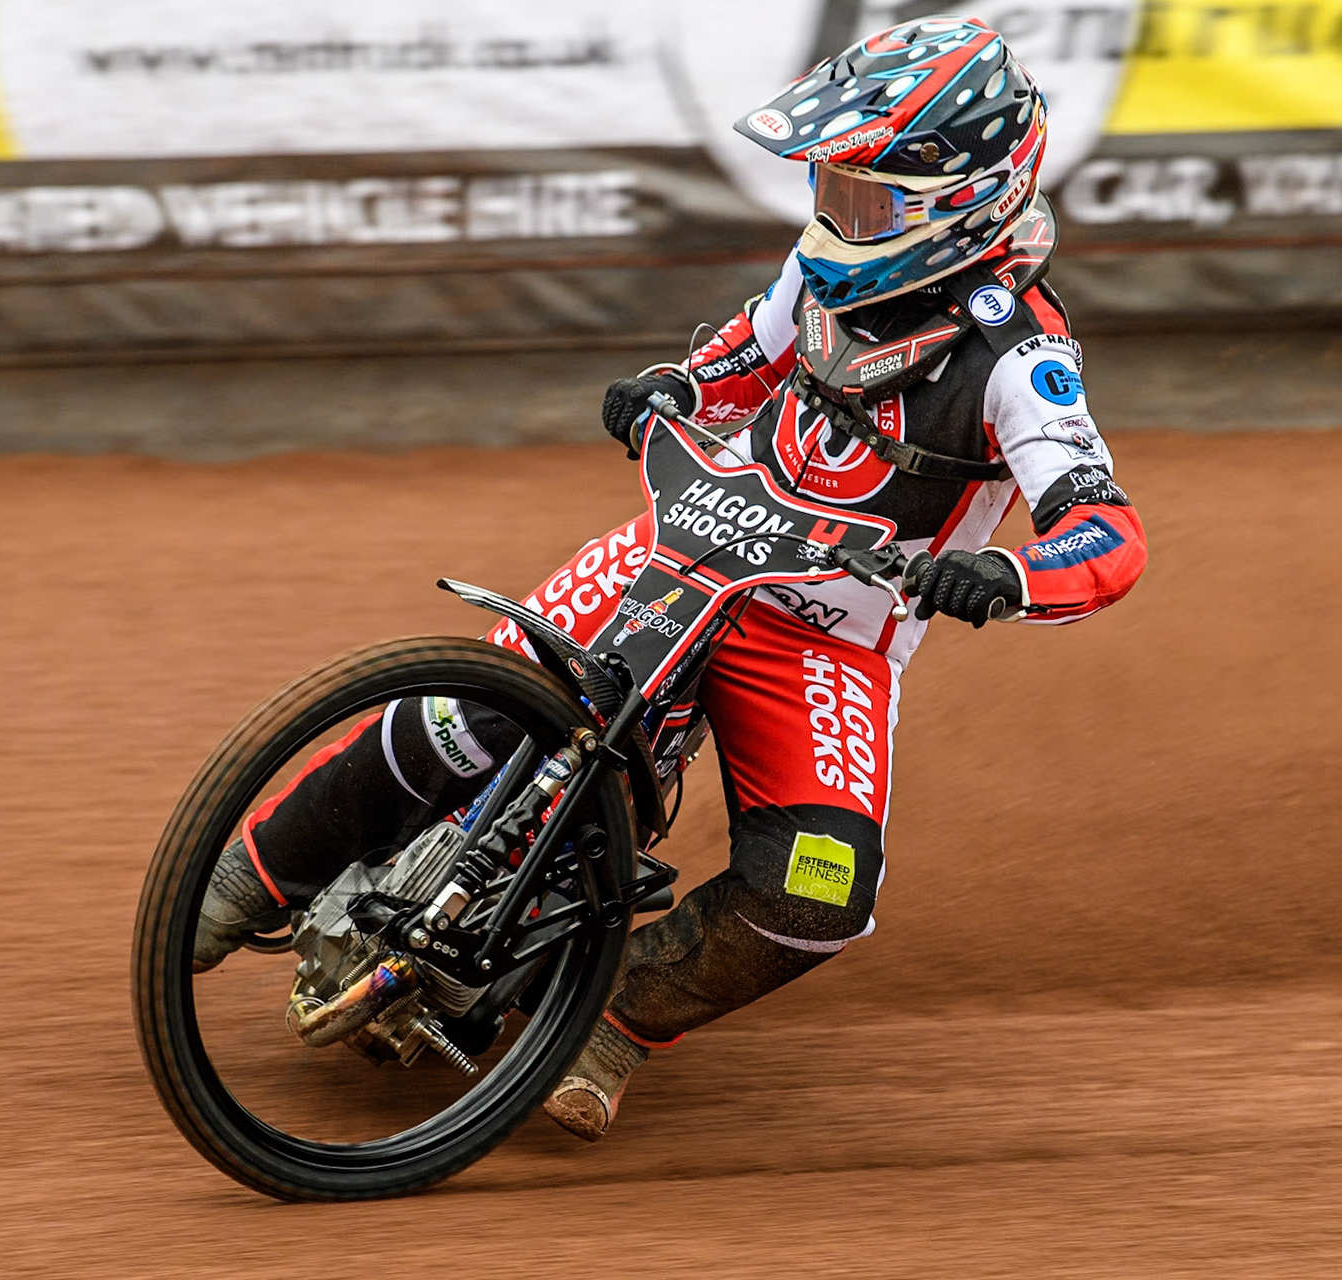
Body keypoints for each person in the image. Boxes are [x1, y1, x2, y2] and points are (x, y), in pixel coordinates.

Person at [193, 16, 1147, 1142]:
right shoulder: (824, 269)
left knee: (818, 892)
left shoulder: (1021, 364)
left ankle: (614, 1018)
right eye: (831, 188)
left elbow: (1108, 532)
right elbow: (745, 355)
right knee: (462, 716)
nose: (835, 218)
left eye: (865, 198)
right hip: (690, 545)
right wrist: (673, 388)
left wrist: (1001, 573)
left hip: (821, 636)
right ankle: (253, 870)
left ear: (961, 205)